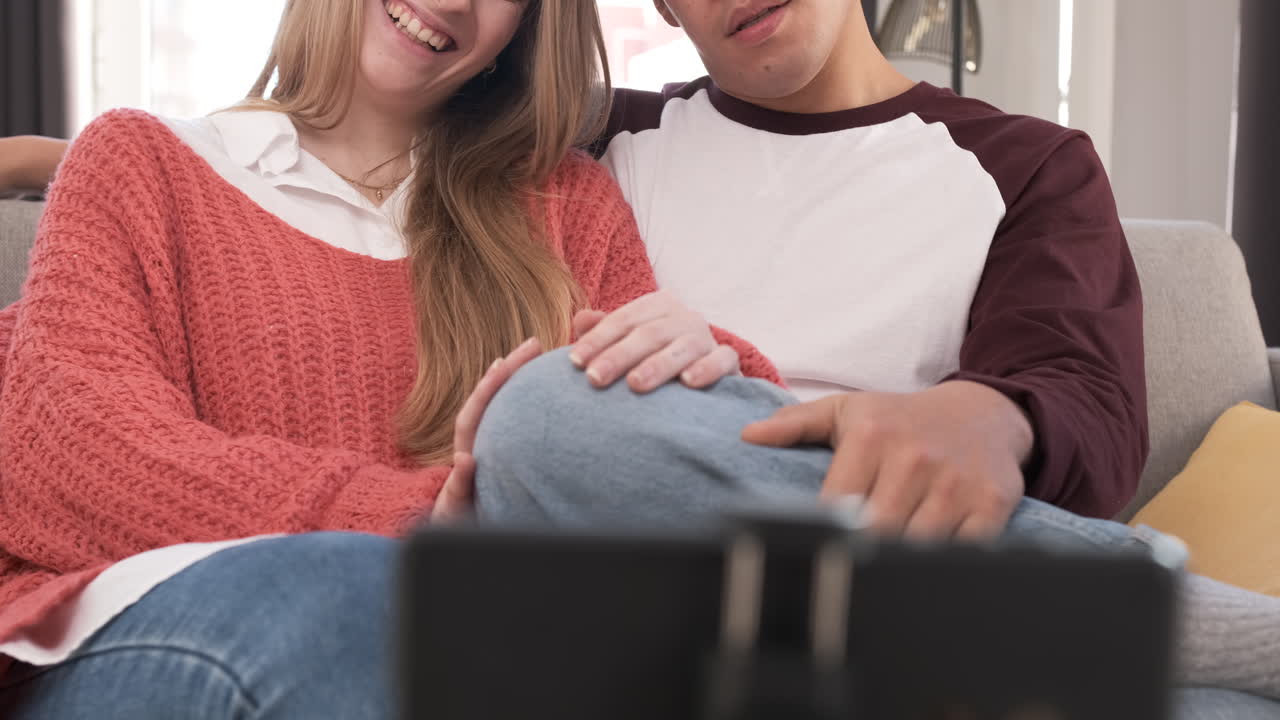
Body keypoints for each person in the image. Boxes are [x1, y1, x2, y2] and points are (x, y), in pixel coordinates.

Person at [435, 0, 1280, 716]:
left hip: (918, 646)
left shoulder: (1029, 166)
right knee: (546, 412)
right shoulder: (592, 140)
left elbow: (1090, 402)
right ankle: (1203, 624)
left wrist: (993, 417)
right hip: (657, 633)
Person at [0, 0, 780, 717]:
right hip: (130, 642)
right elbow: (76, 454)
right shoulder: (139, 161)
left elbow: (658, 463)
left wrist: (709, 357)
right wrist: (422, 527)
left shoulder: (564, 204)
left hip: (458, 660)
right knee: (351, 600)